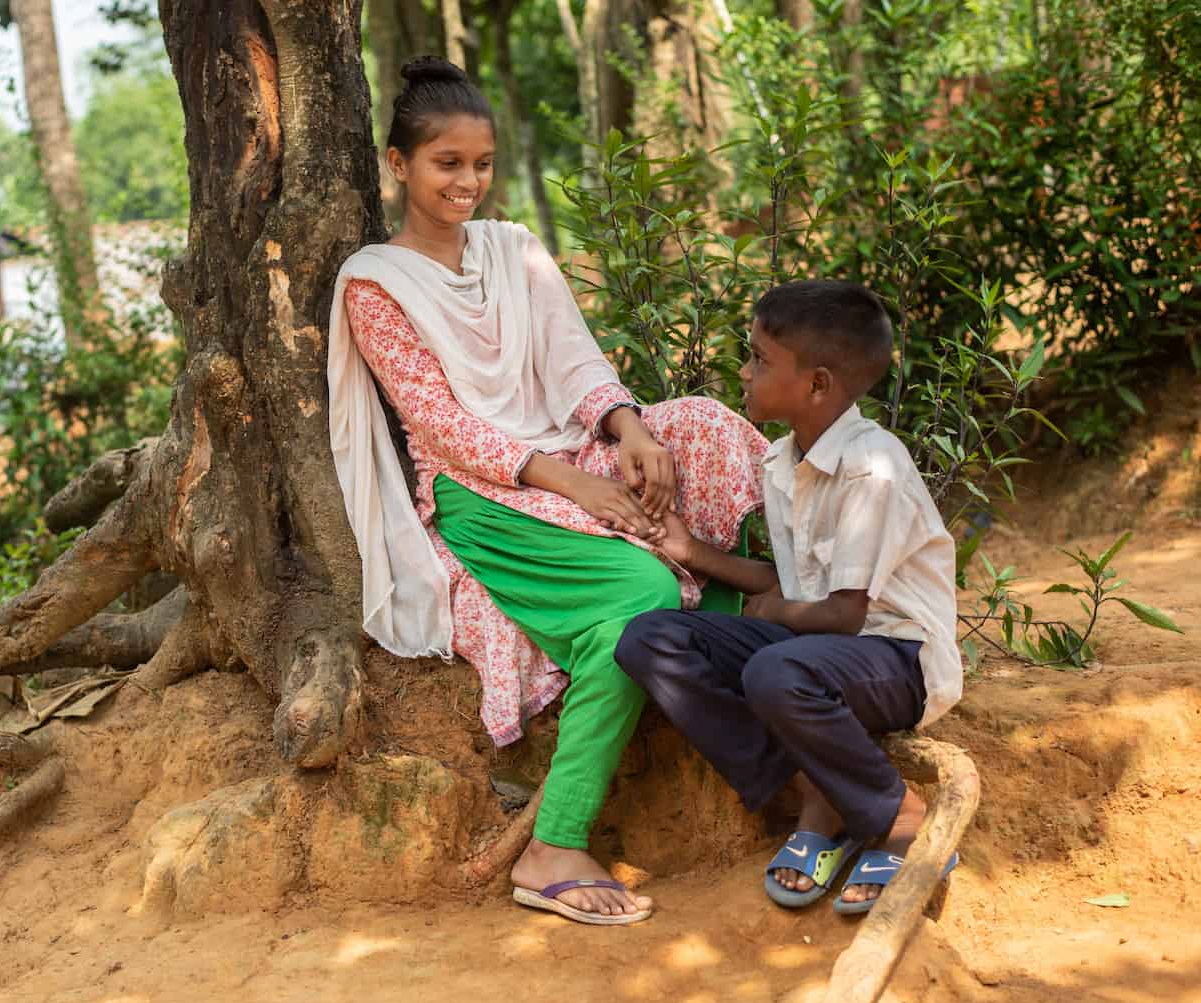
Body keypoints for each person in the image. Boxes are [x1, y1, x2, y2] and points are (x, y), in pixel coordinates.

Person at [327, 56, 769, 925]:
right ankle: (555, 842)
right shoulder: (374, 282)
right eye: (446, 163)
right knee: (640, 595)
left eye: (481, 163)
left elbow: (574, 359)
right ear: (398, 163)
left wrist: (629, 429)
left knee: (711, 429)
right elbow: (442, 423)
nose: (468, 182)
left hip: (573, 449)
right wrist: (572, 484)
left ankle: (766, 663)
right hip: (481, 489)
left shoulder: (514, 248)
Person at [614, 280, 963, 913]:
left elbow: (846, 615)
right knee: (652, 639)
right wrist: (691, 553)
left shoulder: (871, 468)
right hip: (816, 649)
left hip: (897, 659)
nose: (743, 372)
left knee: (773, 669)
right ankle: (814, 791)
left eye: (759, 359)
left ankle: (899, 815)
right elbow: (793, 587)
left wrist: (770, 615)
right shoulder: (781, 462)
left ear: (818, 385)